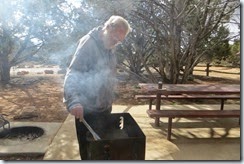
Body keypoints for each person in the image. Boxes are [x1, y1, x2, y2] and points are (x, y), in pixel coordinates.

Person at [63, 15, 131, 160]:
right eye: (115, 39)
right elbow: (73, 72)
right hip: (88, 110)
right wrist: (73, 101)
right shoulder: (88, 43)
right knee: (90, 152)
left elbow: (108, 74)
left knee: (103, 149)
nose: (116, 42)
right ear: (108, 28)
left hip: (104, 107)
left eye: (119, 41)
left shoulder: (110, 47)